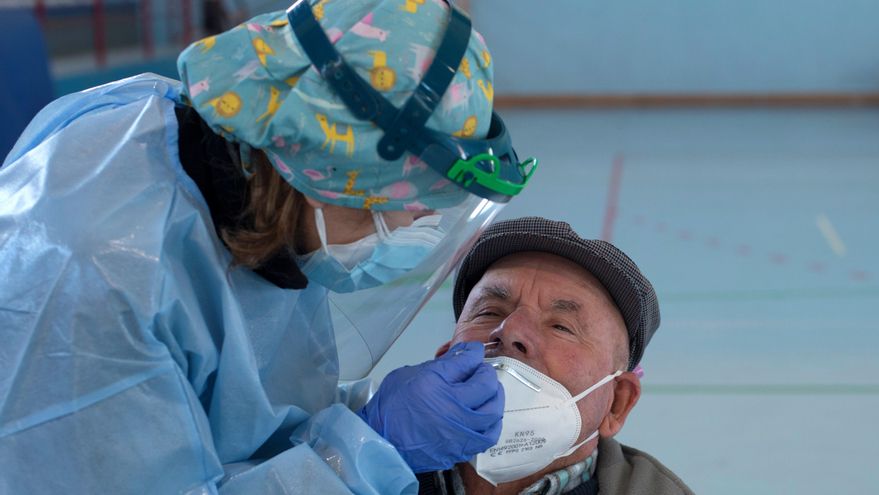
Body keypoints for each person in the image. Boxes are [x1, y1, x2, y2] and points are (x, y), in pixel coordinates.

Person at [0, 1, 536, 493]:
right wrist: (371, 452)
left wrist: (370, 419)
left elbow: (239, 418)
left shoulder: (256, 187)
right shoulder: (102, 279)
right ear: (336, 177)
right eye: (416, 210)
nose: (418, 229)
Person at [362, 217, 694, 494]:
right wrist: (362, 453)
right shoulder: (349, 454)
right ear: (443, 360)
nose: (510, 330)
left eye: (561, 326)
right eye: (489, 311)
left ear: (617, 403)